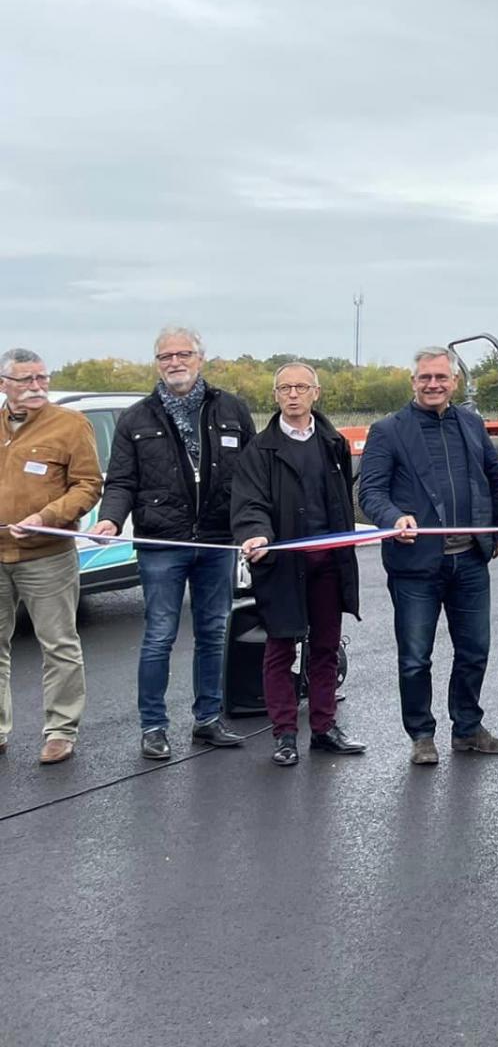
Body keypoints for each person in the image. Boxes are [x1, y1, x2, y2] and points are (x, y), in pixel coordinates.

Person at [93, 327, 254, 759]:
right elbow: (122, 480)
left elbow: (254, 479)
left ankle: (207, 719)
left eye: (183, 354)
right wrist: (110, 519)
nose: (175, 362)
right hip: (162, 543)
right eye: (166, 356)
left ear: (201, 358)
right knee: (159, 636)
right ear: (157, 363)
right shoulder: (136, 418)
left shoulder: (232, 410)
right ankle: (153, 727)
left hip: (218, 542)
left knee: (213, 632)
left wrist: (256, 528)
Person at [358, 347, 498, 764]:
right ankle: (421, 735)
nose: (433, 384)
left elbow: (497, 481)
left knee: (475, 650)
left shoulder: (471, 423)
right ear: (413, 382)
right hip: (415, 566)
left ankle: (467, 729)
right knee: (414, 657)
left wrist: (497, 531)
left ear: (454, 382)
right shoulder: (388, 430)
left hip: (470, 562)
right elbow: (370, 491)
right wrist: (394, 517)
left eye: (441, 378)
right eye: (425, 377)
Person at [230, 362, 366, 766]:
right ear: (275, 396)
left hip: (329, 564)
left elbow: (341, 499)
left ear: (315, 393)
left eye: (301, 387)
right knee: (280, 648)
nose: (293, 394)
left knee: (325, 648)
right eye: (285, 388)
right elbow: (249, 503)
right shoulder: (260, 450)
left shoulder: (333, 443)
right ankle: (285, 734)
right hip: (283, 566)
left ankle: (324, 727)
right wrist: (256, 534)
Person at [0, 348, 101, 764]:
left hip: (47, 553)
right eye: (26, 380)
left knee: (59, 644)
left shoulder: (70, 424)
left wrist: (46, 516)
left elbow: (88, 485)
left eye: (42, 377)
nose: (38, 386)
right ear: (4, 384)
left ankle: (60, 730)